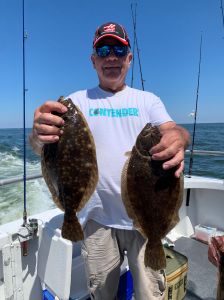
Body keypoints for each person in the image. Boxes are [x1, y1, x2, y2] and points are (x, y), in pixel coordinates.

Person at [30, 22, 190, 300]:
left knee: (151, 294)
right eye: (104, 50)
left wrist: (179, 137)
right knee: (101, 292)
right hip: (97, 219)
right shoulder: (74, 103)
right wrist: (38, 133)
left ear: (129, 58)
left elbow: (174, 131)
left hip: (144, 222)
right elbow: (42, 149)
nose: (112, 57)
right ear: (94, 61)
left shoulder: (148, 100)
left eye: (119, 49)